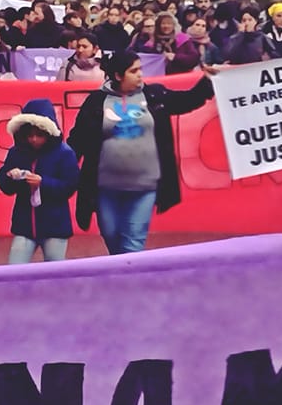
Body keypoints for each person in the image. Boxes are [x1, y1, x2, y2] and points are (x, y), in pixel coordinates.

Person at [69, 51, 216, 255]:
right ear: (118, 76)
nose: (140, 75)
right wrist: (59, 167)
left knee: (133, 239)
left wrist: (207, 82)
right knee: (112, 236)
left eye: (140, 69)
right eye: (133, 71)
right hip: (105, 188)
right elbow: (78, 140)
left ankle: (128, 282)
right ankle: (124, 275)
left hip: (145, 187)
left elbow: (186, 101)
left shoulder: (155, 94)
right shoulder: (95, 102)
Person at [0, 98, 81, 264]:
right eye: (30, 135)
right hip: (25, 225)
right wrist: (10, 177)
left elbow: (70, 186)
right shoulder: (16, 153)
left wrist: (43, 183)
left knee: (55, 273)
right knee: (14, 269)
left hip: (55, 226)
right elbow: (5, 186)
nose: (34, 140)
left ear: (48, 133)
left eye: (39, 135)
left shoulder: (64, 153)